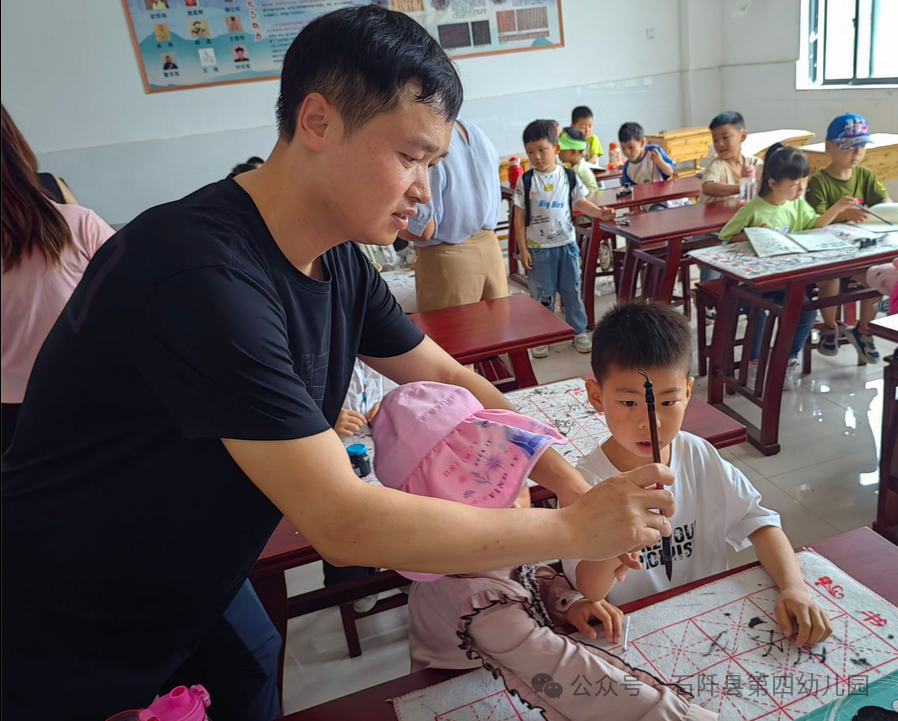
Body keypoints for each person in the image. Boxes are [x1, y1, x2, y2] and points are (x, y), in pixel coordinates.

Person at [1, 7, 676, 719]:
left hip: (193, 567)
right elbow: (344, 522)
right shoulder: (198, 274)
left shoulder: (337, 263)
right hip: (69, 601)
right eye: (411, 157)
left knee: (252, 671)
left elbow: (451, 378)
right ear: (317, 122)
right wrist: (575, 531)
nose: (424, 190)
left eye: (433, 165)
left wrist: (573, 489)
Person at [377, 381, 717, 721]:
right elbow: (572, 677)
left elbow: (527, 573)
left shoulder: (480, 552)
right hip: (462, 695)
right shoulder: (478, 606)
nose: (513, 513)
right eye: (489, 505)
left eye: (512, 486)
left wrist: (568, 602)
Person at [562, 303, 834, 651]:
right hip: (638, 633)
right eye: (629, 403)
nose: (652, 422)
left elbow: (761, 523)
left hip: (711, 619)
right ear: (597, 397)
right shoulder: (582, 482)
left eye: (669, 401)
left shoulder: (699, 455)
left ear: (688, 393)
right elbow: (589, 588)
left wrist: (793, 586)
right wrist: (618, 541)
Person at [0, 106, 114, 455]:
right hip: (97, 402)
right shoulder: (79, 224)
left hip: (15, 419)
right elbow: (142, 305)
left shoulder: (77, 225)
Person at [718, 143, 856, 390]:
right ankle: (753, 363)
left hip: (784, 281)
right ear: (772, 184)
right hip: (751, 284)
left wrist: (837, 209)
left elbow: (814, 225)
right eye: (794, 183)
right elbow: (726, 237)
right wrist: (751, 234)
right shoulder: (754, 209)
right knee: (758, 313)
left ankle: (786, 361)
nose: (801, 188)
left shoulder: (797, 204)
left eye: (804, 180)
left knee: (806, 311)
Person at [514, 120, 615, 357]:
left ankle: (578, 331)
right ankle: (543, 333)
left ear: (556, 149)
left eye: (542, 149)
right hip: (539, 250)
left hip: (567, 246)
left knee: (571, 290)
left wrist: (601, 214)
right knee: (542, 294)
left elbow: (580, 203)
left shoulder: (568, 177)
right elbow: (518, 220)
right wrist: (523, 250)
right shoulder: (526, 181)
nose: (536, 157)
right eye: (530, 152)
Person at [806, 113, 893, 363]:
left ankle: (863, 329)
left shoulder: (864, 175)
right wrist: (843, 213)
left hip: (861, 252)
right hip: (829, 254)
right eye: (848, 147)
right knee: (830, 279)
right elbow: (815, 220)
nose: (856, 153)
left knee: (878, 276)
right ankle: (830, 327)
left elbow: (883, 202)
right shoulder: (819, 182)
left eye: (861, 146)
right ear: (829, 148)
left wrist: (883, 210)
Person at [399, 118, 507, 312]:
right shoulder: (476, 131)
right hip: (492, 251)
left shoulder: (429, 140)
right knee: (496, 334)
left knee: (450, 340)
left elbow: (424, 230)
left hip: (449, 262)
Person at [697, 111, 764, 287]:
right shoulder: (717, 164)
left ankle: (744, 291)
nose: (719, 144)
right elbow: (708, 187)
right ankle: (709, 294)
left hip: (738, 227)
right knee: (715, 251)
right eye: (715, 139)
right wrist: (742, 188)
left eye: (725, 137)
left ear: (742, 136)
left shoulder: (754, 164)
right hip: (712, 230)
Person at [618, 122, 683, 210]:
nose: (627, 152)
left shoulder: (654, 151)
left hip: (669, 195)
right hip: (651, 203)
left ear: (642, 143)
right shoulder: (627, 170)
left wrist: (660, 162)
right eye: (623, 148)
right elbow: (630, 197)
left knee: (689, 208)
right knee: (659, 214)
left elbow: (670, 171)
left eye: (631, 147)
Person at [559, 127, 599, 195]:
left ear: (573, 152)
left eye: (561, 149)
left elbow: (593, 196)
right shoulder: (570, 166)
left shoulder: (578, 171)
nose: (557, 152)